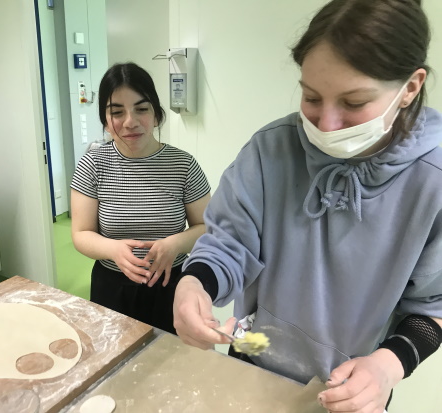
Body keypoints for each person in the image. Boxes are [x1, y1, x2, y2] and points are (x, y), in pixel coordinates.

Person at [173, 0, 442, 411]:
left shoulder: (433, 180)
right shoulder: (271, 150)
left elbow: (432, 307)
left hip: (348, 388)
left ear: (410, 87)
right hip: (255, 353)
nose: (326, 124)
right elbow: (228, 244)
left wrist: (389, 365)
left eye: (354, 103)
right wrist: (195, 284)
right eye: (311, 97)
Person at [71, 62, 211, 335]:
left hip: (171, 286)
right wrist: (113, 250)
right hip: (112, 287)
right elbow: (81, 233)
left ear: (156, 114)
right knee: (114, 357)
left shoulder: (183, 165)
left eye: (141, 109)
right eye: (117, 112)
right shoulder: (93, 164)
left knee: (173, 359)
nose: (130, 122)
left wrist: (175, 244)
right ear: (105, 121)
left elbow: (207, 227)